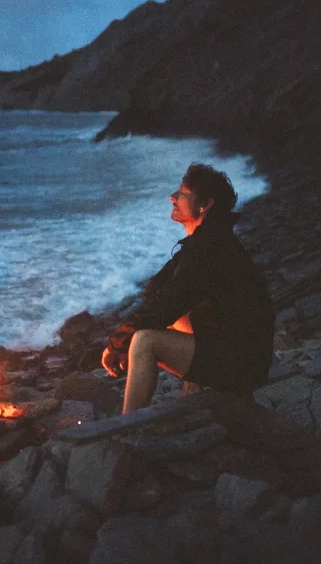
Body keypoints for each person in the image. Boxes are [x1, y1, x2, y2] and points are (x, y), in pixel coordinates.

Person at [102, 163, 274, 413]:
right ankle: (193, 391)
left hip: (243, 363)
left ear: (205, 205)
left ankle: (126, 429)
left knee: (145, 340)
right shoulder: (208, 241)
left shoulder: (210, 250)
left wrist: (117, 343)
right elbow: (159, 293)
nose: (173, 196)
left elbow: (166, 306)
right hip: (237, 348)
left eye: (183, 193)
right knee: (162, 321)